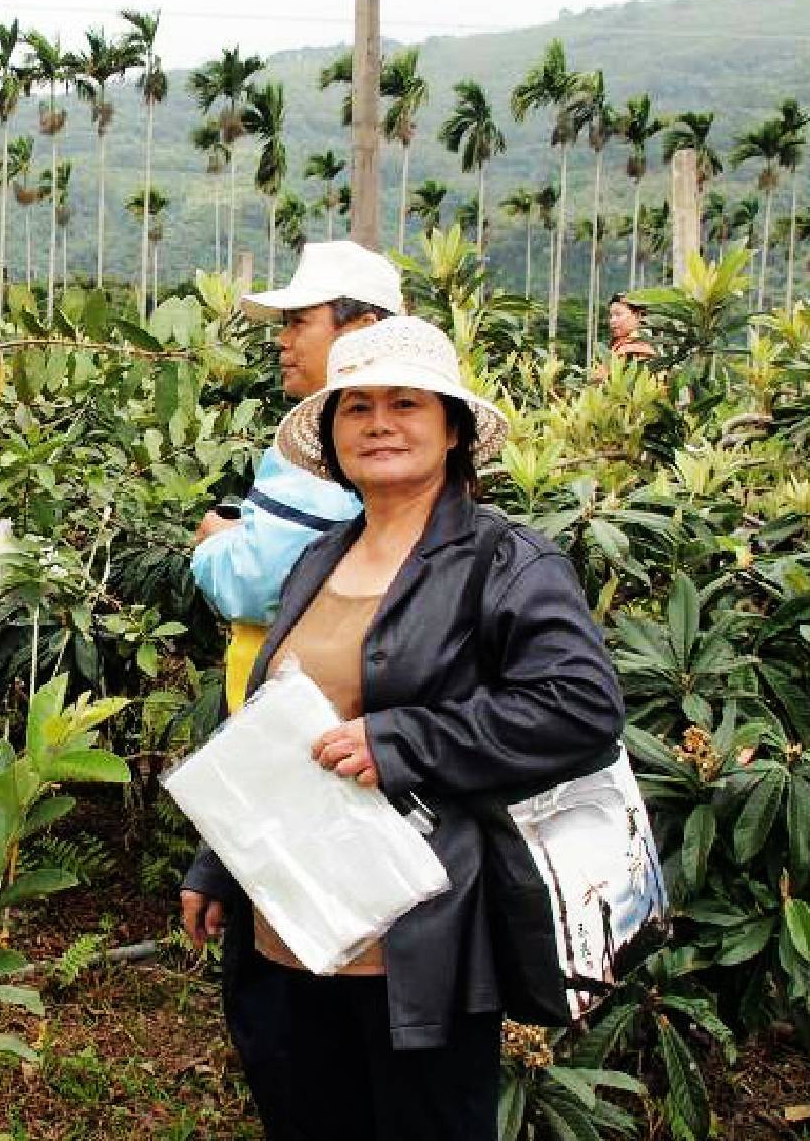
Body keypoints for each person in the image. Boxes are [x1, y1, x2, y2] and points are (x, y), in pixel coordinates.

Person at [179, 316, 626, 1140]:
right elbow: (281, 727)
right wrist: (219, 861)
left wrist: (402, 741)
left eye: (406, 404)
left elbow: (582, 706)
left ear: (453, 430)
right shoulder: (321, 558)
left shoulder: (506, 564)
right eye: (356, 408)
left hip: (419, 952)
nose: (379, 423)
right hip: (289, 936)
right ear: (332, 434)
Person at [193, 240, 404, 714]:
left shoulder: (338, 444)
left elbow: (255, 583)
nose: (282, 341)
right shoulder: (386, 440)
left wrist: (212, 540)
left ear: (361, 330)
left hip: (294, 703)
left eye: (299, 322)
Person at [606, 293, 657, 361]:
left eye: (618, 314)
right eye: (611, 316)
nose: (612, 320)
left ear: (638, 316)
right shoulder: (619, 342)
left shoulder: (641, 348)